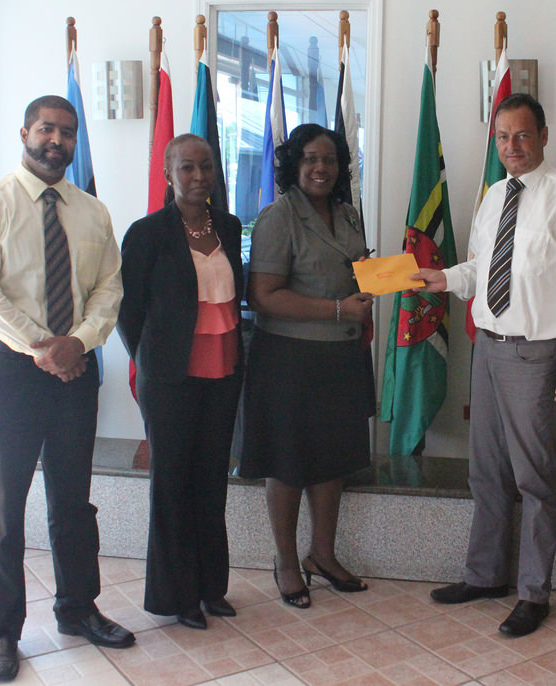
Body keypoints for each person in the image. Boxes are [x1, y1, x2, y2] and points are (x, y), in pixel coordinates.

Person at [414, 93, 556, 637]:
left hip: (538, 352)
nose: (512, 147)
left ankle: (533, 593)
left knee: (534, 476)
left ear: (544, 135)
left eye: (522, 136)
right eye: (503, 138)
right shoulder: (494, 194)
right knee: (487, 470)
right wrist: (445, 279)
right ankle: (484, 575)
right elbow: (483, 267)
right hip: (490, 347)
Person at [0, 95, 133, 681]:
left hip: (75, 371)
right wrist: (46, 348)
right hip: (7, 374)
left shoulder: (92, 212)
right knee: (4, 509)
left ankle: (78, 608)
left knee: (73, 502)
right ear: (24, 131)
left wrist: (76, 343)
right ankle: (2, 630)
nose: (57, 140)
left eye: (67, 131)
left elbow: (109, 289)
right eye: (47, 129)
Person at [239, 124, 375, 609]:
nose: (322, 168)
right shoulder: (278, 217)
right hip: (290, 360)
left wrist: (370, 304)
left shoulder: (348, 214)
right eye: (312, 159)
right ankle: (286, 562)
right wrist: (339, 311)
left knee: (332, 458)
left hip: (340, 357)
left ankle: (322, 554)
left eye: (331, 160)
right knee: (288, 462)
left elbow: (354, 275)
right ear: (295, 166)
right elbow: (263, 297)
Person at [117, 134, 243, 630]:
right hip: (170, 379)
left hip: (224, 374)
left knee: (212, 482)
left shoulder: (229, 227)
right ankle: (178, 596)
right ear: (169, 174)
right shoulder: (147, 233)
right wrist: (153, 360)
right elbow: (130, 310)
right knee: (172, 485)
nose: (198, 177)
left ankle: (213, 588)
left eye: (206, 167)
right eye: (187, 168)